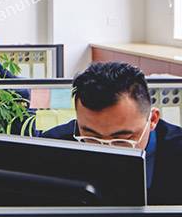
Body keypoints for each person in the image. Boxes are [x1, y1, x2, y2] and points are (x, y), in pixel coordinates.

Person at [43, 62, 182, 205]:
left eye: (121, 139)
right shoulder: (52, 148)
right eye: (91, 137)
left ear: (152, 119)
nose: (106, 151)